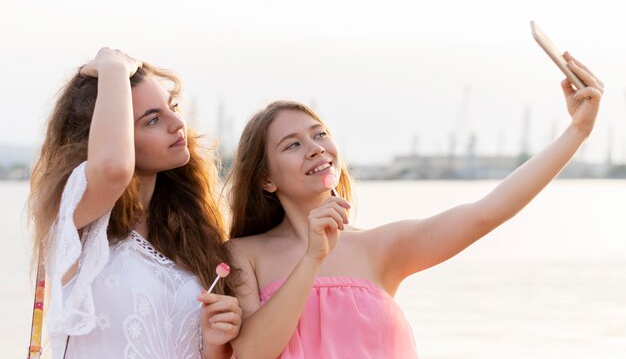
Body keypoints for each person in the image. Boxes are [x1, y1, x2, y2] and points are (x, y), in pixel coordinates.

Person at [226, 52, 603, 358]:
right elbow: (252, 353)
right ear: (266, 179)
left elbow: (487, 211)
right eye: (292, 144)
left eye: (320, 134)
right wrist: (312, 258)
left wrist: (578, 132)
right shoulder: (243, 255)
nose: (315, 148)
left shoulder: (381, 247)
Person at [28, 48, 241, 359]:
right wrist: (112, 66)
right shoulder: (74, 217)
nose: (177, 123)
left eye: (173, 107)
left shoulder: (191, 232)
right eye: (152, 120)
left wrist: (215, 343)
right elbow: (114, 168)